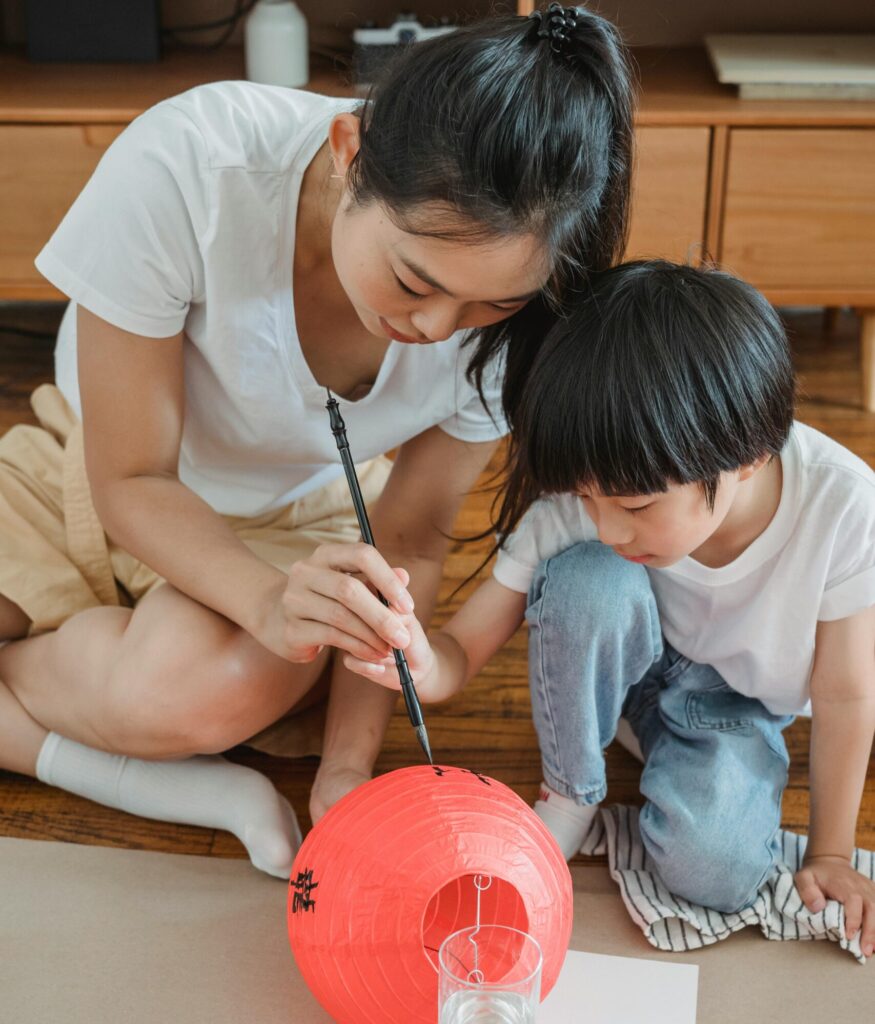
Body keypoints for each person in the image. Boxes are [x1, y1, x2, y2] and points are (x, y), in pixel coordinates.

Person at [0, 8, 635, 875]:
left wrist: (344, 770)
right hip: (93, 465)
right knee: (170, 681)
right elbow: (132, 475)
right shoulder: (189, 163)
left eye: (490, 304)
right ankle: (176, 779)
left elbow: (407, 536)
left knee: (191, 692)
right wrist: (261, 605)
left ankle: (130, 733)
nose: (436, 327)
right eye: (416, 279)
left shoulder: (518, 328)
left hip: (303, 515)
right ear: (348, 150)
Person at [344, 260, 875, 954]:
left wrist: (831, 852)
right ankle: (571, 795)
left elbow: (843, 696)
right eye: (587, 498)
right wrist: (410, 654)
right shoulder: (594, 495)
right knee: (589, 578)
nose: (605, 526)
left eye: (632, 506)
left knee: (716, 872)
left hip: (736, 707)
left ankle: (665, 786)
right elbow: (460, 653)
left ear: (745, 457)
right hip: (627, 674)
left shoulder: (843, 506)